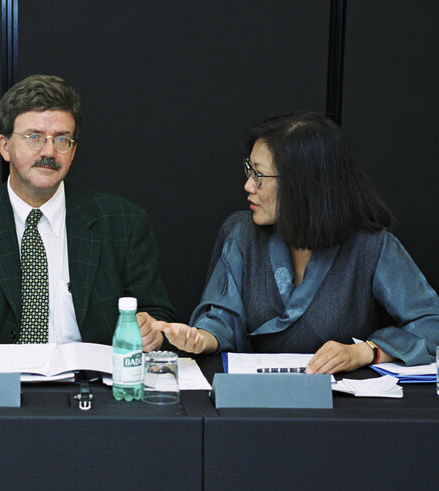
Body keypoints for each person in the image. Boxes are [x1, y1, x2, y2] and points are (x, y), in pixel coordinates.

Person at [0, 74, 175, 358]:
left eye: (62, 139)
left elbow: (157, 315)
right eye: (34, 137)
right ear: (4, 146)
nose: (49, 151)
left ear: (73, 150)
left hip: (93, 386)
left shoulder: (123, 221)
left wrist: (151, 331)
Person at [154, 112, 439, 374]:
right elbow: (223, 318)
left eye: (260, 175)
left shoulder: (371, 246)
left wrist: (366, 352)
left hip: (343, 407)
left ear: (304, 184)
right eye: (249, 170)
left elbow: (431, 322)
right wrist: (200, 338)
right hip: (253, 397)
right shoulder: (241, 232)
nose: (248, 186)